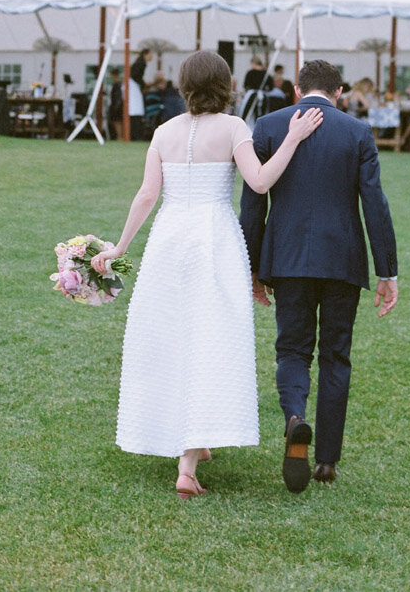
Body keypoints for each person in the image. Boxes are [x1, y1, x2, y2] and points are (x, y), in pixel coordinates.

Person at [89, 50, 323, 500]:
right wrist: (292, 138)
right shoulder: (235, 128)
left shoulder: (163, 131)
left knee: (174, 337)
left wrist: (119, 248)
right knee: (209, 340)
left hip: (169, 239)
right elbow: (259, 182)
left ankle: (194, 438)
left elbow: (147, 195)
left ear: (184, 85)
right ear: (225, 83)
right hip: (214, 239)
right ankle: (187, 466)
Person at [240, 59, 398, 492]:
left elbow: (253, 205)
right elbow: (375, 204)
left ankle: (295, 418)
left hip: (287, 259)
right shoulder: (357, 132)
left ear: (296, 90)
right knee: (336, 354)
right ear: (340, 92)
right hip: (342, 259)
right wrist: (388, 270)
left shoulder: (268, 126)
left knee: (292, 349)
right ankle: (326, 460)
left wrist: (251, 266)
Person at [128, 48, 152, 140]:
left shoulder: (140, 63)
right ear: (146, 54)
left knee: (135, 109)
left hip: (134, 85)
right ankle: (135, 134)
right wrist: (143, 84)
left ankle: (134, 134)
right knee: (136, 109)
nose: (151, 57)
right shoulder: (142, 63)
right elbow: (136, 76)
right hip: (133, 86)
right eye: (150, 54)